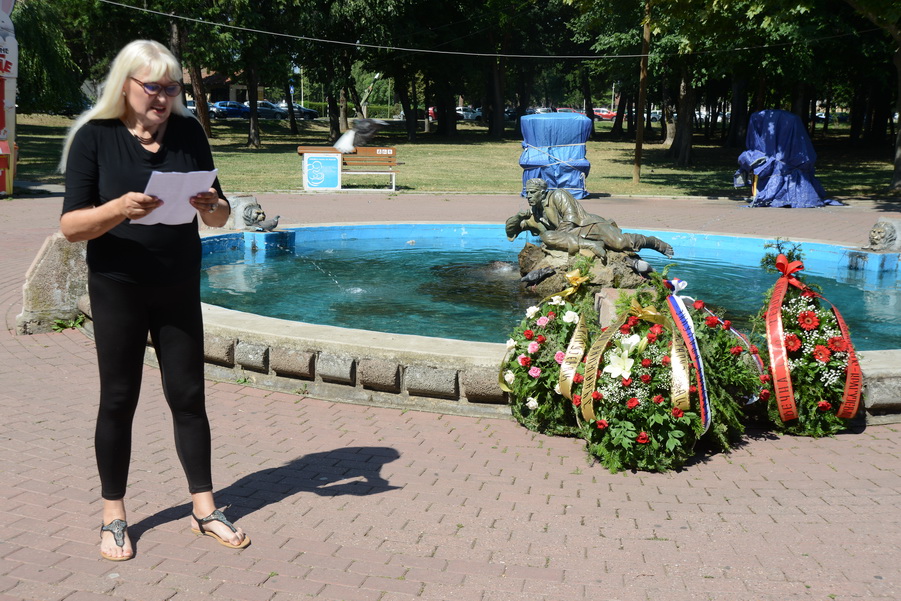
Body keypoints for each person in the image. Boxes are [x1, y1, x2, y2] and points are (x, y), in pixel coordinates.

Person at [59, 40, 249, 561]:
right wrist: (119, 208)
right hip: (118, 285)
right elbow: (71, 226)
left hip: (178, 283)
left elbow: (218, 216)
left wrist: (213, 205)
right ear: (126, 85)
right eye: (153, 87)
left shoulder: (189, 133)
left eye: (171, 88)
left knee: (188, 397)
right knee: (119, 399)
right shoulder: (95, 136)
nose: (163, 97)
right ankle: (113, 515)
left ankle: (205, 508)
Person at [506, 178, 674, 260]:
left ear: (542, 193)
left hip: (590, 226)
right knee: (547, 237)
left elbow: (570, 219)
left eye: (532, 192)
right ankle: (591, 245)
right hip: (575, 237)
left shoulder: (558, 195)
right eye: (527, 193)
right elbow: (510, 230)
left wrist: (560, 238)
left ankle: (654, 242)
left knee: (620, 243)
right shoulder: (535, 213)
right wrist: (518, 217)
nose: (528, 196)